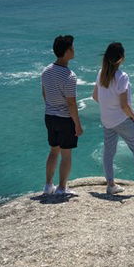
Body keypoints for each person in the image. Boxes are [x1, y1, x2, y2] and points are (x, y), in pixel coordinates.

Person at [93, 42, 134, 197]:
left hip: (107, 120)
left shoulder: (101, 73)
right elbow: (124, 104)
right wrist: (132, 115)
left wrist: (108, 107)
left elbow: (95, 96)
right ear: (121, 58)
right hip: (122, 120)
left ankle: (110, 185)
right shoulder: (122, 77)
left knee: (108, 152)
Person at [41, 35, 83, 197]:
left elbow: (44, 94)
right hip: (65, 119)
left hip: (49, 116)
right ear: (66, 52)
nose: (74, 50)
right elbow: (71, 103)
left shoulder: (46, 71)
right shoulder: (69, 76)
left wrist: (52, 107)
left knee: (53, 151)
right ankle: (62, 187)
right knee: (66, 154)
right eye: (72, 48)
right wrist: (77, 125)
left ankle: (47, 185)